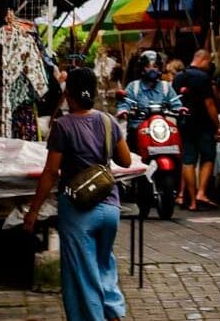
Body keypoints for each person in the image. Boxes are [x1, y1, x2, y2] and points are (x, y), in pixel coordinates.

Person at [23, 68, 131, 321]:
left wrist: (33, 211)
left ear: (68, 93)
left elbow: (51, 172)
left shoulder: (63, 126)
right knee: (104, 265)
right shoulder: (108, 121)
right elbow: (125, 161)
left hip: (79, 211)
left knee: (83, 276)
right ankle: (114, 314)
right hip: (110, 208)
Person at [173, 49, 220, 211]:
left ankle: (192, 199)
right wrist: (218, 125)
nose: (209, 66)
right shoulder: (203, 77)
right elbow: (209, 104)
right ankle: (201, 192)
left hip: (184, 123)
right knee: (208, 157)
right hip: (203, 124)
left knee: (188, 160)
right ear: (203, 59)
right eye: (209, 63)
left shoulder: (178, 77)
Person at [116, 50, 182, 149]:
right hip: (137, 129)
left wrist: (180, 109)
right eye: (148, 66)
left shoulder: (166, 87)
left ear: (159, 68)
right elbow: (125, 103)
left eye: (155, 66)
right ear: (142, 68)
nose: (152, 70)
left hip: (160, 129)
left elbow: (175, 103)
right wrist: (123, 110)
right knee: (132, 154)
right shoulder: (134, 86)